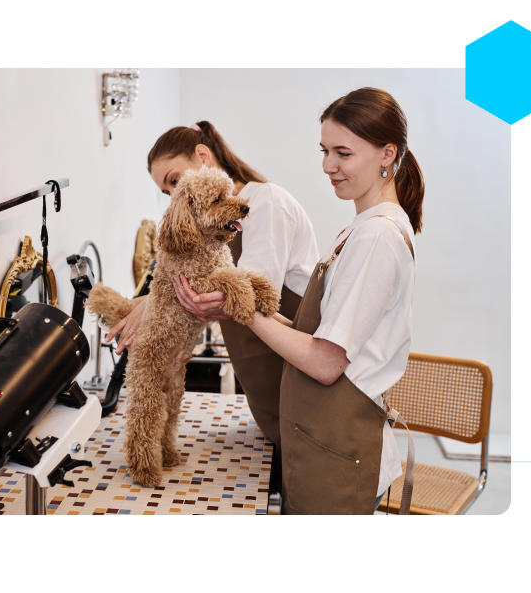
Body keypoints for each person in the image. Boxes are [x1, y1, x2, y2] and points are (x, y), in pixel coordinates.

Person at [175, 88, 424, 514]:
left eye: (343, 153)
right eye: (325, 150)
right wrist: (237, 306)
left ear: (388, 153)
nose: (328, 166)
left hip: (338, 452)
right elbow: (313, 336)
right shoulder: (360, 228)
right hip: (318, 439)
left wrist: (241, 307)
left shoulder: (378, 236)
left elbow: (326, 363)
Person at [104, 121, 319, 494]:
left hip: (297, 384)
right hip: (266, 394)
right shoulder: (211, 234)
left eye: (173, 180)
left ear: (203, 158)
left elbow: (241, 297)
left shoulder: (266, 203)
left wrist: (147, 305)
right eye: (166, 189)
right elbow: (187, 279)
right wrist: (147, 303)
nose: (172, 194)